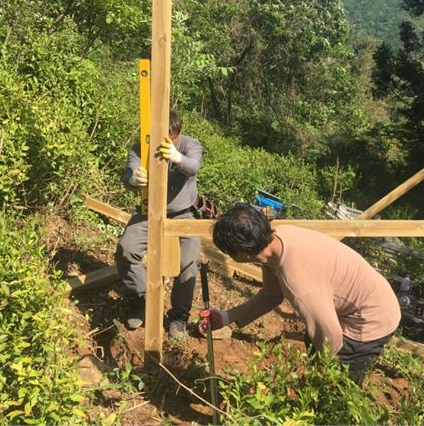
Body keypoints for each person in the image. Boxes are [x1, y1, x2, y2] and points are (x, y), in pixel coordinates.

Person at [200, 203, 401, 384]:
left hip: (370, 318)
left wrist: (319, 380)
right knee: (313, 345)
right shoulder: (276, 241)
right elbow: (271, 296)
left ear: (243, 253)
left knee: (339, 387)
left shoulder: (297, 280)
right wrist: (227, 317)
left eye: (228, 251)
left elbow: (330, 335)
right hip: (357, 303)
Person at [115, 111, 202, 341]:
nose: (165, 142)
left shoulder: (189, 144)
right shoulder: (140, 147)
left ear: (177, 134)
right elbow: (128, 175)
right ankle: (140, 299)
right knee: (126, 249)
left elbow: (194, 166)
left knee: (188, 264)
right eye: (160, 137)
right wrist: (133, 179)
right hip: (149, 212)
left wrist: (177, 158)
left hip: (184, 216)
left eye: (171, 138)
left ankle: (179, 317)